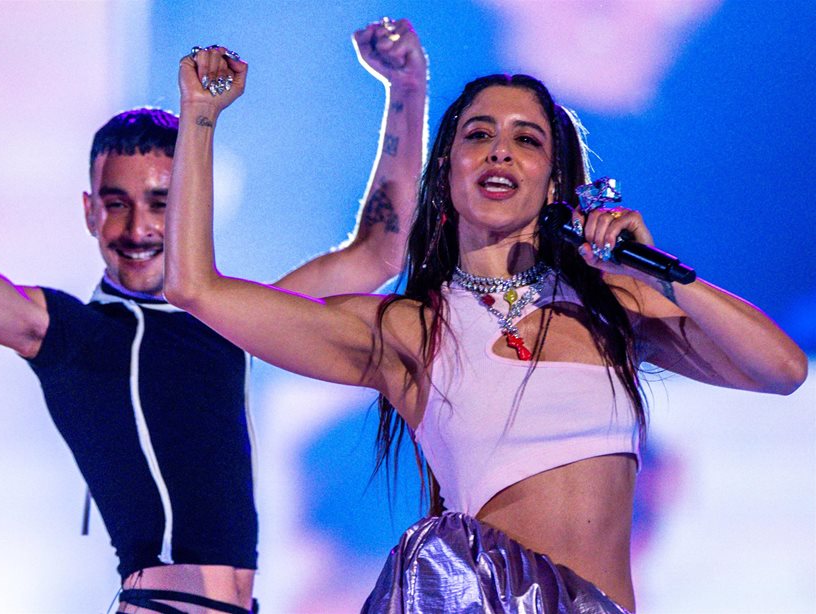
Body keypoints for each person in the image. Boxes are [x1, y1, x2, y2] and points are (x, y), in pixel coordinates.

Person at [163, 55, 808, 612]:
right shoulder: (408, 329)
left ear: (555, 183)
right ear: (448, 172)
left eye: (526, 139)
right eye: (479, 135)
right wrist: (200, 114)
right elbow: (195, 288)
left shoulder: (613, 306)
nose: (501, 150)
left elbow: (784, 370)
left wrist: (660, 272)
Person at [0, 19, 427, 614]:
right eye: (116, 204)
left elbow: (379, 253)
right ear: (90, 213)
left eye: (160, 204)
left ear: (190, 208)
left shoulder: (225, 320)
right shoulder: (74, 334)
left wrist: (406, 89)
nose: (138, 228)